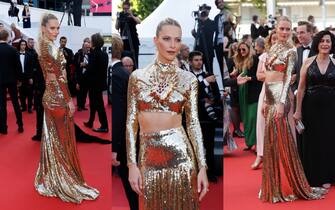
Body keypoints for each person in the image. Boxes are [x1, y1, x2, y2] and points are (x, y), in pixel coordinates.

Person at [126, 18, 208, 209]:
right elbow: (131, 123)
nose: (173, 45)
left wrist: (202, 166)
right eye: (167, 39)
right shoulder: (137, 77)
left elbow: (193, 123)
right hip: (148, 157)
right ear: (155, 40)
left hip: (181, 157)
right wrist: (131, 164)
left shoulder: (189, 80)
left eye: (177, 40)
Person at [259, 16, 326, 203]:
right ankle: (274, 184)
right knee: (272, 141)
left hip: (281, 96)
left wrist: (281, 103)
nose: (285, 32)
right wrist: (265, 100)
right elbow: (267, 76)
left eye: (288, 29)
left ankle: (289, 184)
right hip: (270, 96)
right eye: (282, 28)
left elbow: (287, 78)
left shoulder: (291, 51)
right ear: (276, 29)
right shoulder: (272, 47)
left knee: (280, 140)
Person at [34, 13, 99, 203]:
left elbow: (50, 76)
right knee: (63, 141)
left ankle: (56, 175)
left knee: (54, 139)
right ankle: (63, 179)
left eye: (57, 28)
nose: (55, 31)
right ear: (44, 28)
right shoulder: (50, 48)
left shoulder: (44, 45)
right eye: (52, 28)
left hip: (49, 96)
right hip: (58, 99)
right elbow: (61, 78)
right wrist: (69, 100)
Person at [294, 30, 335, 188]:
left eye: (328, 41)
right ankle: (312, 175)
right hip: (310, 108)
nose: (325, 44)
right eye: (322, 41)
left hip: (331, 108)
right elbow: (301, 88)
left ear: (332, 45)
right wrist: (298, 111)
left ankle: (327, 175)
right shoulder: (308, 62)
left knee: (328, 140)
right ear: (317, 43)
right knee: (312, 141)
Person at [112, 33, 139, 210]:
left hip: (123, 136)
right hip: (129, 134)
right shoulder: (124, 74)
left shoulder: (118, 74)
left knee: (129, 179)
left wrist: (114, 147)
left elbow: (119, 113)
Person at [251, 30, 277, 170]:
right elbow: (259, 76)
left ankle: (279, 156)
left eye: (277, 38)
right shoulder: (264, 56)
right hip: (266, 91)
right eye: (273, 39)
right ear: (270, 41)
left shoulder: (288, 54)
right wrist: (276, 74)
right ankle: (260, 155)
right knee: (262, 123)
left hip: (283, 92)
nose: (275, 41)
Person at [232, 41, 262, 150]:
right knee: (246, 119)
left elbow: (260, 77)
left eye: (244, 49)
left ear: (249, 49)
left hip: (254, 93)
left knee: (253, 118)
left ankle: (256, 144)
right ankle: (250, 143)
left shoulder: (255, 59)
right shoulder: (240, 61)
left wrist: (249, 79)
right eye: (239, 50)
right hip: (243, 93)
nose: (241, 51)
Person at [84, 33, 109, 133]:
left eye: (91, 40)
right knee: (94, 104)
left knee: (98, 105)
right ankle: (90, 121)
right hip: (100, 82)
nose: (90, 42)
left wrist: (81, 80)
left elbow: (91, 69)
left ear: (94, 42)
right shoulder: (104, 54)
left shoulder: (94, 54)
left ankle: (104, 126)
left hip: (94, 83)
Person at [0, 29, 23, 134]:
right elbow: (18, 67)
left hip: (0, 81)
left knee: (2, 105)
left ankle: (3, 128)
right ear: (7, 37)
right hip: (12, 80)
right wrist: (19, 80)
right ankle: (20, 126)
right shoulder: (13, 50)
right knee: (16, 103)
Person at [115, 0, 141, 68]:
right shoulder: (121, 15)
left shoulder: (133, 15)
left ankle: (135, 70)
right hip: (124, 41)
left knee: (134, 57)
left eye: (126, 9)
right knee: (123, 57)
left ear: (129, 8)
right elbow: (116, 27)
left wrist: (131, 15)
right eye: (124, 9)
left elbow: (139, 21)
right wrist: (117, 19)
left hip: (133, 40)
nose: (125, 10)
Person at [192, 4, 216, 74]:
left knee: (209, 70)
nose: (204, 12)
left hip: (208, 51)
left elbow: (209, 34)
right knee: (199, 71)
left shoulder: (212, 22)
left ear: (209, 11)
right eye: (202, 10)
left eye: (206, 10)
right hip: (199, 51)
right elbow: (200, 38)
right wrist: (195, 35)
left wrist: (203, 20)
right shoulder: (199, 23)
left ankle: (212, 84)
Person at [17, 39, 34, 113]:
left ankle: (29, 107)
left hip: (28, 76)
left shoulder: (29, 55)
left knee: (30, 93)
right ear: (19, 46)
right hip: (20, 77)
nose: (23, 46)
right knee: (21, 93)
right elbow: (15, 67)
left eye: (24, 45)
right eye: (22, 45)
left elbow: (31, 67)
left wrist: (30, 77)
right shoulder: (16, 55)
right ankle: (23, 106)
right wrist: (17, 79)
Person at [74, 37, 90, 111]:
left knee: (85, 91)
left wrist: (86, 65)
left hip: (87, 76)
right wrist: (79, 64)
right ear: (83, 47)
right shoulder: (78, 54)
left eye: (88, 47)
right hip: (79, 75)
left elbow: (91, 65)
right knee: (79, 91)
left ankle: (83, 105)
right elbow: (74, 64)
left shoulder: (90, 55)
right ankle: (79, 106)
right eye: (86, 47)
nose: (87, 49)